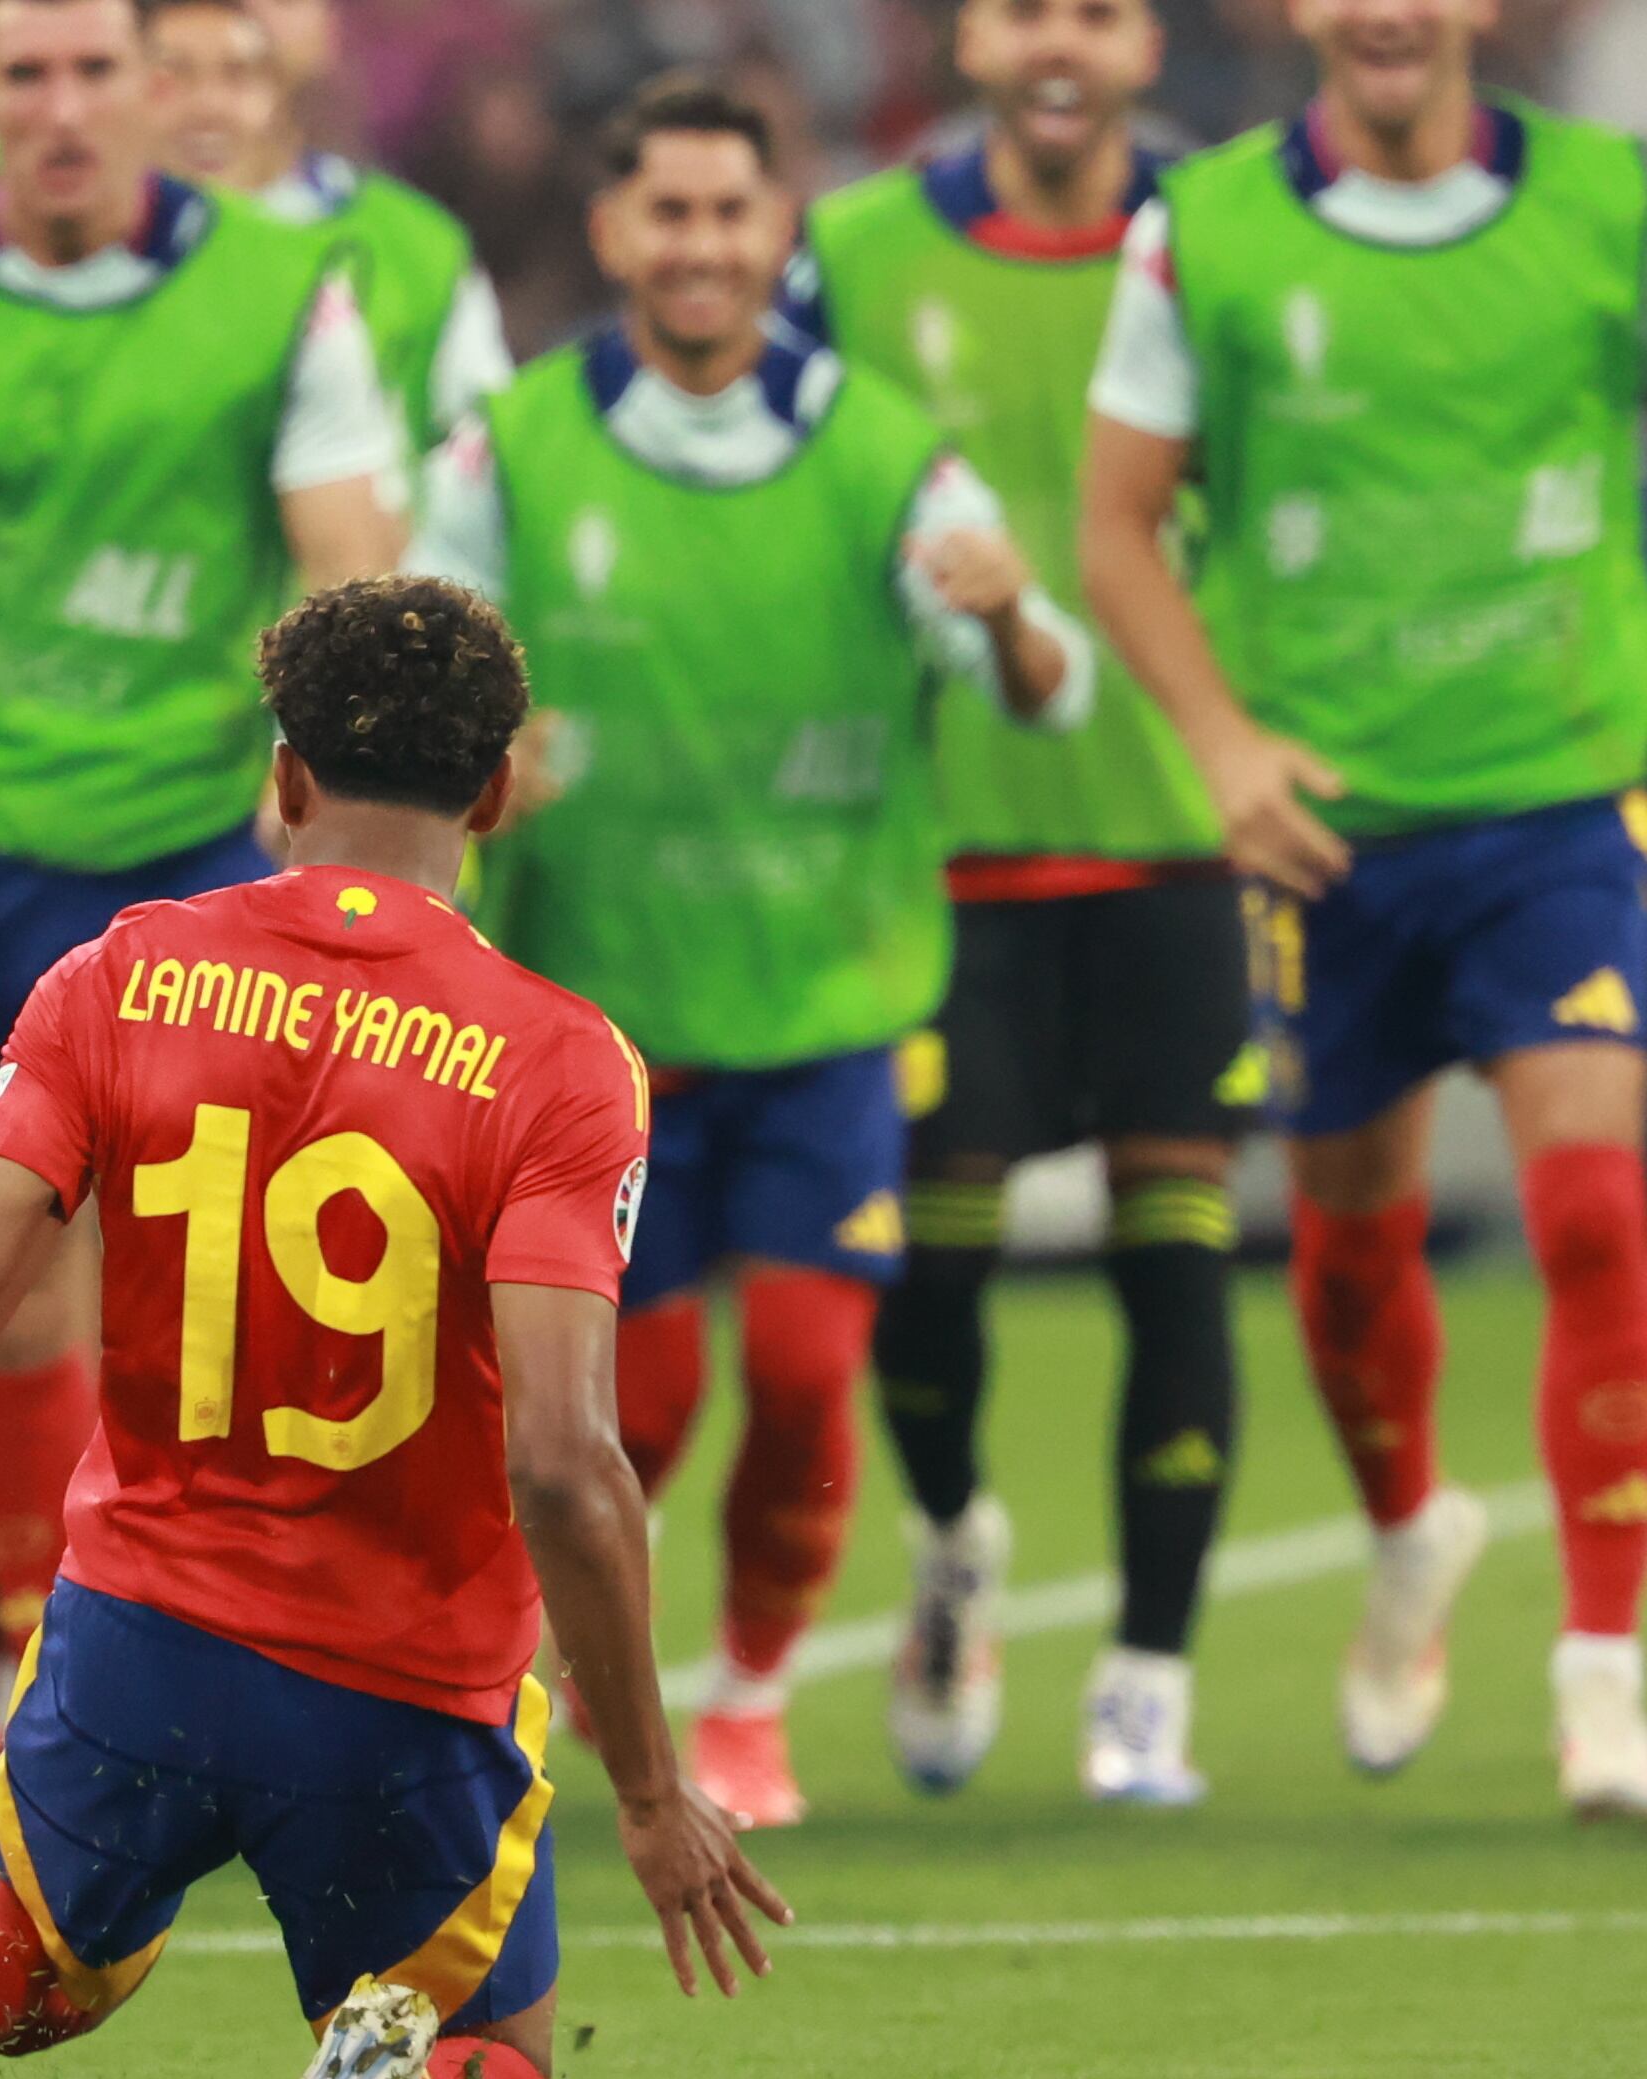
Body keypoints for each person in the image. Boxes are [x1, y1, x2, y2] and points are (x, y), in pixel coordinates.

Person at [0, 575, 785, 2079]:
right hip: (395, 1686)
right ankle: (382, 2078)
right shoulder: (555, 1059)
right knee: (496, 2058)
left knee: (45, 1959)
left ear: (286, 776)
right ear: (496, 792)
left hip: (132, 1643)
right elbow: (563, 1464)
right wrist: (657, 1793)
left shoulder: (115, 977)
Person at [1079, 0, 1647, 1817]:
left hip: (1554, 804)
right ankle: (1407, 1526)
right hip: (1324, 833)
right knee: (1351, 1255)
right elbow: (1113, 521)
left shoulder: (1604, 200)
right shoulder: (1199, 229)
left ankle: (1599, 1675)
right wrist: (1221, 748)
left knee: (1588, 1206)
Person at [419, 76, 1091, 1830]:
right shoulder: (510, 444)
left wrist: (1013, 611)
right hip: (597, 1036)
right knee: (626, 1409)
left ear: (780, 231)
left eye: (732, 213)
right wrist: (481, 767)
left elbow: (1041, 687)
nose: (700, 245)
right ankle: (591, 1690)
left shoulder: (884, 454)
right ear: (608, 231)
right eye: (668, 213)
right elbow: (422, 673)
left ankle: (752, 1696)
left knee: (799, 1382)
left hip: (820, 1003)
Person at [0, 0, 397, 1856]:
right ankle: (50, 1680)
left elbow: (343, 563)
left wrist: (367, 798)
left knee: (214, 1278)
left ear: (148, 92)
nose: (54, 108)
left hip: (207, 842)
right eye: (19, 76)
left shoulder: (286, 293)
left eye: (85, 70)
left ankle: (238, 1664)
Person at [791, 0, 1248, 1804]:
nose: (1053, 45)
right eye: (1015, 11)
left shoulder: (1221, 241)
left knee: (1176, 1262)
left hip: (1172, 831)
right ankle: (952, 1540)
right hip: (940, 847)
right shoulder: (845, 254)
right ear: (956, 44)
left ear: (1143, 46)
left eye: (1093, 12)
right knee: (935, 1276)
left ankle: (1146, 1673)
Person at [158, 0, 509, 469]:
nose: (247, 12)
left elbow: (484, 469)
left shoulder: (418, 245)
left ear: (329, 27)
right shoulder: (90, 238)